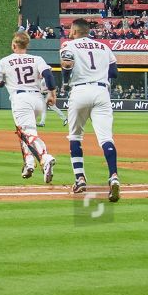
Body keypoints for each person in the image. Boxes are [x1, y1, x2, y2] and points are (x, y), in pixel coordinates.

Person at [60, 18, 121, 200]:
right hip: (101, 91)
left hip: (79, 90)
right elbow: (114, 73)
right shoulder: (104, 47)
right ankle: (114, 176)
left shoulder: (68, 45)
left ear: (75, 30)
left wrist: (64, 83)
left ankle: (80, 179)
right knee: (105, 138)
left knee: (75, 136)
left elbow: (66, 65)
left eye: (70, 28)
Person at [0, 31, 57, 183]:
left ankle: (45, 157)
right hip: (38, 99)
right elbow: (48, 74)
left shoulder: (5, 61)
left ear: (14, 45)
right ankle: (29, 164)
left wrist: (4, 82)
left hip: (21, 99)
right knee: (23, 132)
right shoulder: (37, 59)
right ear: (27, 45)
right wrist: (52, 93)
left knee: (28, 132)